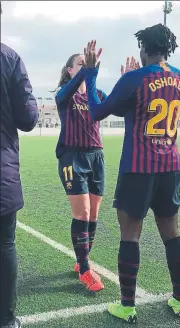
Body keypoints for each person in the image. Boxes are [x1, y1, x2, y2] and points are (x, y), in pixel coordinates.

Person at [83, 23, 180, 323]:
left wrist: (91, 74)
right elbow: (133, 108)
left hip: (138, 168)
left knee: (130, 236)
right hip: (170, 166)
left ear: (144, 48)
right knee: (172, 234)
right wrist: (125, 83)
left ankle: (127, 306)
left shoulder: (137, 77)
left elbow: (97, 111)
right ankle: (179, 299)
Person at [54, 49, 106, 293]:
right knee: (82, 213)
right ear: (70, 70)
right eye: (80, 64)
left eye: (88, 64)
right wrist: (88, 70)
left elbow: (117, 101)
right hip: (72, 157)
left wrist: (130, 77)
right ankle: (85, 269)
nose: (85, 67)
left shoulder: (96, 94)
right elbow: (68, 89)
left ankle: (81, 261)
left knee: (94, 214)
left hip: (96, 156)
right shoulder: (65, 96)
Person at [0, 3, 39, 328]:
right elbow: (28, 119)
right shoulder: (9, 59)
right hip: (2, 175)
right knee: (4, 245)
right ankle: (7, 319)